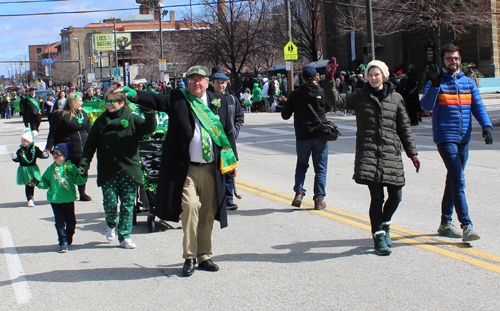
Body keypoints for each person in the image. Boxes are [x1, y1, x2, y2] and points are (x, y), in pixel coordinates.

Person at [115, 65, 238, 277]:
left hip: (211, 168)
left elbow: (227, 134)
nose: (195, 84)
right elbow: (155, 100)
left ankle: (205, 256)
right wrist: (133, 93)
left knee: (208, 212)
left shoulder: (221, 102)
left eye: (199, 80)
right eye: (191, 80)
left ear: (207, 82)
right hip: (186, 168)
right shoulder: (178, 99)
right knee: (190, 207)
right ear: (186, 82)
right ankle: (189, 256)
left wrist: (233, 162)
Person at [324, 58, 420, 256]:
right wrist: (328, 79)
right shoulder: (360, 96)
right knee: (377, 198)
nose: (374, 78)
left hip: (390, 152)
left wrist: (412, 153)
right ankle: (378, 236)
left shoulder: (396, 98)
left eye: (377, 74)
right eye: (370, 74)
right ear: (366, 77)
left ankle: (385, 225)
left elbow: (404, 128)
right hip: (368, 152)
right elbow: (335, 100)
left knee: (396, 195)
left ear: (384, 76)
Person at [421, 44, 493, 242]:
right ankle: (467, 226)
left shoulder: (468, 83)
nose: (453, 62)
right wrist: (434, 85)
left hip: (464, 138)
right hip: (445, 137)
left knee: (453, 179)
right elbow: (426, 106)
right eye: (449, 58)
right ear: (442, 61)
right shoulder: (437, 81)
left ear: (460, 59)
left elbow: (477, 106)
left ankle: (445, 223)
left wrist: (486, 126)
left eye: (456, 58)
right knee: (458, 180)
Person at [79, 87, 157, 249]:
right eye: (107, 101)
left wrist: (149, 113)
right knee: (110, 201)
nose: (109, 104)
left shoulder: (131, 118)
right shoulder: (101, 121)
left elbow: (148, 129)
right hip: (109, 169)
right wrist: (84, 163)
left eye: (113, 101)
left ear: (122, 103)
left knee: (128, 203)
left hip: (128, 168)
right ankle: (111, 223)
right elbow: (90, 145)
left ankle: (125, 235)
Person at [281, 66, 332, 210]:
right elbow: (328, 108)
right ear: (316, 77)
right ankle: (319, 199)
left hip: (302, 135)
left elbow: (285, 115)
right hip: (320, 135)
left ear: (302, 78)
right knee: (320, 168)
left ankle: (299, 192)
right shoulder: (321, 92)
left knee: (302, 165)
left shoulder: (295, 94)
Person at [35, 142, 87, 253]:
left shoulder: (70, 167)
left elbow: (78, 181)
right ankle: (63, 242)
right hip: (55, 200)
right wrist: (37, 182)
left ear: (64, 156)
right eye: (54, 153)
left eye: (58, 154)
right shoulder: (51, 169)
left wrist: (82, 174)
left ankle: (68, 237)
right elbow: (45, 183)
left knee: (71, 223)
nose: (55, 156)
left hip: (68, 200)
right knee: (59, 222)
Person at [45, 91, 92, 201]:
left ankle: (82, 192)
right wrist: (49, 147)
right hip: (68, 150)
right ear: (73, 102)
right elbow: (53, 132)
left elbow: (89, 129)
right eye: (80, 101)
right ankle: (68, 192)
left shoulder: (83, 113)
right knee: (67, 172)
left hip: (82, 149)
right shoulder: (61, 114)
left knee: (83, 170)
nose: (82, 103)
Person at [212, 72, 244, 211]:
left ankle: (228, 199)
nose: (221, 85)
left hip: (228, 139)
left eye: (223, 82)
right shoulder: (207, 98)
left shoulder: (232, 99)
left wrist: (234, 132)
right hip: (212, 139)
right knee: (214, 170)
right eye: (218, 82)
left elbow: (239, 117)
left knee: (229, 168)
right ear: (212, 83)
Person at [11, 129, 48, 207]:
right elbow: (18, 159)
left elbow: (40, 155)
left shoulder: (34, 149)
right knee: (28, 184)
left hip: (33, 168)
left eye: (25, 140)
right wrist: (15, 158)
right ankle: (29, 199)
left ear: (29, 141)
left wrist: (44, 155)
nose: (23, 142)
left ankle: (32, 197)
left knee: (34, 182)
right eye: (22, 140)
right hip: (24, 169)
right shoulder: (20, 150)